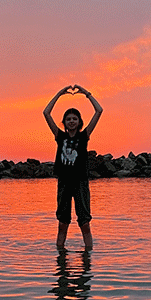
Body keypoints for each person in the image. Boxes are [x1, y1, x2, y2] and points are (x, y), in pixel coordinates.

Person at [43, 84, 103, 250]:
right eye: (68, 119)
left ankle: (88, 258)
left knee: (84, 222)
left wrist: (86, 93)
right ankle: (61, 258)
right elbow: (46, 113)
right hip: (64, 182)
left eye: (74, 119)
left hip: (80, 182)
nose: (71, 121)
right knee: (63, 223)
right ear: (64, 122)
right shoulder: (59, 136)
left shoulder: (84, 136)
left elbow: (99, 111)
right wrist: (59, 94)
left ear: (79, 122)